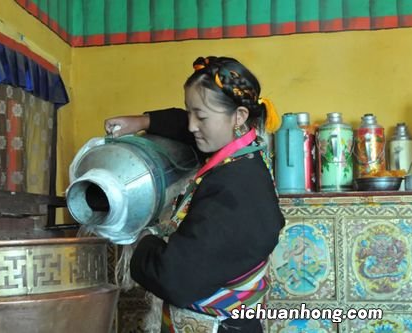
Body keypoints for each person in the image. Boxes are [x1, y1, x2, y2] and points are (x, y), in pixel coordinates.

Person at [105, 56, 285, 333]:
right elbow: (184, 124)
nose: (191, 125)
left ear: (239, 116)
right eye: (190, 113)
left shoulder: (235, 189)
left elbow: (175, 279)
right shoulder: (242, 155)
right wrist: (141, 121)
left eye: (200, 116)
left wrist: (140, 238)